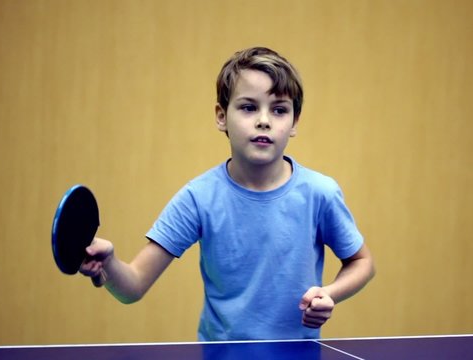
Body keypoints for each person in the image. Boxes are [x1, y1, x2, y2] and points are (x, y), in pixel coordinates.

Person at [80, 47, 375, 341]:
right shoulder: (197, 198)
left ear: (294, 123)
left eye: (279, 109)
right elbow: (133, 286)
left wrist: (329, 294)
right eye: (248, 107)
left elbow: (362, 263)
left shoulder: (320, 193)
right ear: (221, 116)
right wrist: (109, 264)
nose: (264, 120)